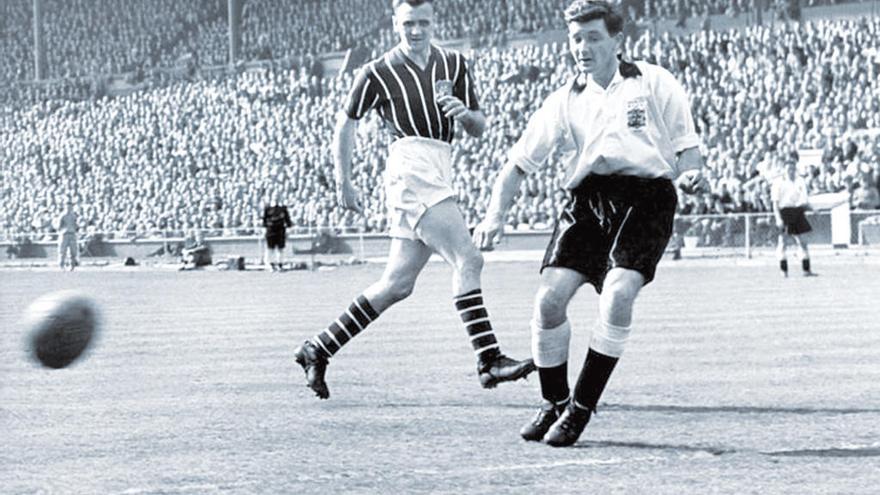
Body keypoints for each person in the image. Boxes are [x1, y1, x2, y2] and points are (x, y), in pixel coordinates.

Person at [473, 0, 705, 447]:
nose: (582, 47)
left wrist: (692, 173)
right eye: (576, 38)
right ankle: (553, 404)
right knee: (547, 302)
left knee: (618, 294)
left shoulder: (655, 82)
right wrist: (494, 215)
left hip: (647, 198)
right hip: (588, 201)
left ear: (617, 41)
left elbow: (686, 149)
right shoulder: (564, 99)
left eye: (593, 37)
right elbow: (517, 164)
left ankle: (580, 408)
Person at [293, 0, 535, 400]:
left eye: (423, 22)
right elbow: (346, 122)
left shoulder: (454, 64)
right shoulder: (377, 71)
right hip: (410, 164)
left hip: (441, 160)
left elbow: (478, 126)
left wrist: (463, 114)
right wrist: (344, 181)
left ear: (434, 22)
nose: (416, 31)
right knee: (468, 259)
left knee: (397, 283)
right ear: (395, 24)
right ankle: (489, 360)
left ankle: (318, 348)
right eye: (408, 23)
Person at [772, 156, 816, 277]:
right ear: (784, 170)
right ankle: (783, 271)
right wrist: (778, 218)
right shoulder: (778, 182)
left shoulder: (800, 181)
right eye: (788, 169)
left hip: (797, 211)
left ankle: (806, 270)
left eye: (792, 169)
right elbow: (775, 203)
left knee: (803, 242)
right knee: (783, 243)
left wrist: (812, 209)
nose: (790, 171)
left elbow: (804, 200)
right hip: (784, 212)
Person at [263, 192, 293, 271]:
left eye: (277, 196)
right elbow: (264, 221)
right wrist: (264, 230)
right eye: (274, 196)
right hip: (271, 231)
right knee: (270, 249)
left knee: (281, 248)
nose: (276, 198)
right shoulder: (268, 208)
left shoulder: (283, 208)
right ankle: (270, 264)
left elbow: (288, 220)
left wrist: (289, 230)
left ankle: (280, 264)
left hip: (280, 231)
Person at [56, 200, 78, 271]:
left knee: (73, 251)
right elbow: (58, 226)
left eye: (70, 206)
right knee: (62, 251)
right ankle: (61, 265)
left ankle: (72, 266)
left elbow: (75, 224)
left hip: (72, 234)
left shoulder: (73, 215)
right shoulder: (62, 216)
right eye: (67, 206)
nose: (69, 208)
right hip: (64, 234)